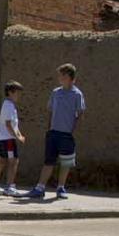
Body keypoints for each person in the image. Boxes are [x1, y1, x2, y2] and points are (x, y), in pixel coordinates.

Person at [28, 63, 85, 200]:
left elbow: (80, 114)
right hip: (53, 133)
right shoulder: (55, 92)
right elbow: (50, 112)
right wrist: (49, 129)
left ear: (70, 77)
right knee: (49, 161)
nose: (60, 78)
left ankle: (61, 188)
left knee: (65, 163)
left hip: (67, 135)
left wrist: (73, 132)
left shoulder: (77, 94)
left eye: (62, 75)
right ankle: (40, 188)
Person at [0, 81, 26, 196]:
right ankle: (10, 187)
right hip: (8, 139)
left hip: (5, 138)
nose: (18, 96)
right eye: (17, 93)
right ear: (10, 92)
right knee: (13, 161)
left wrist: (19, 134)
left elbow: (14, 125)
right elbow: (8, 124)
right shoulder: (8, 105)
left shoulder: (10, 105)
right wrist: (18, 137)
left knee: (1, 161)